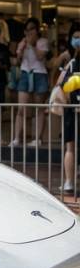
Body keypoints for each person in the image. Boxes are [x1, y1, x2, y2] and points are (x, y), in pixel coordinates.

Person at [11, 17, 51, 148]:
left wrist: (32, 44)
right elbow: (17, 62)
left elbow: (40, 56)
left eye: (32, 29)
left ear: (37, 29)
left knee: (39, 108)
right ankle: (17, 138)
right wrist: (20, 50)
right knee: (21, 108)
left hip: (39, 74)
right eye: (27, 29)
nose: (29, 32)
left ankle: (38, 138)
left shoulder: (43, 41)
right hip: (24, 74)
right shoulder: (22, 42)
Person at [54, 23, 80, 194]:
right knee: (70, 147)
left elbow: (59, 86)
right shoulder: (70, 62)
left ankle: (70, 182)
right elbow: (59, 86)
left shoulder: (71, 62)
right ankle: (69, 182)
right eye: (75, 37)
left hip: (72, 109)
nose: (77, 40)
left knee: (70, 147)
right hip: (72, 111)